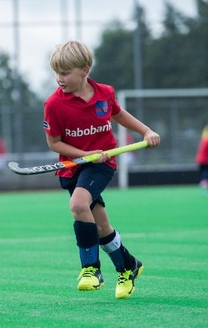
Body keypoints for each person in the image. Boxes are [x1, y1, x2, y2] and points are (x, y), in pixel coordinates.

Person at [43, 40, 160, 299]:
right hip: (75, 167)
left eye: (65, 73)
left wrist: (146, 131)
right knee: (101, 228)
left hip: (102, 164)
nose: (59, 79)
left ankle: (90, 269)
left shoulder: (104, 93)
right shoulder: (53, 104)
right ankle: (128, 266)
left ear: (84, 70)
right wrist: (86, 155)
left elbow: (118, 114)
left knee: (78, 205)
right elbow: (54, 143)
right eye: (56, 73)